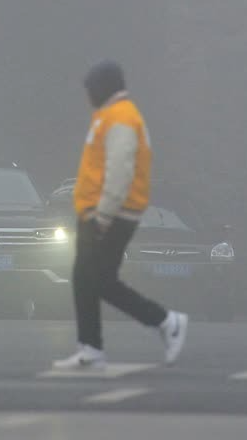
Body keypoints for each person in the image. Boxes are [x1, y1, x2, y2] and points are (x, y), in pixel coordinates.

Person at [52, 61, 188, 371]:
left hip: (111, 214)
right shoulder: (109, 117)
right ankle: (90, 346)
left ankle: (165, 321)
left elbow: (120, 171)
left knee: (99, 280)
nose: (87, 97)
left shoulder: (121, 118)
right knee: (85, 279)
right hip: (100, 211)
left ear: (103, 88)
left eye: (90, 90)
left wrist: (103, 215)